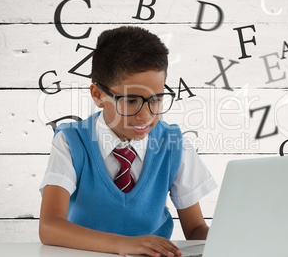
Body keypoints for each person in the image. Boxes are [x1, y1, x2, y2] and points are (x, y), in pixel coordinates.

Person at [39, 26, 217, 257]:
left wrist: (233, 239)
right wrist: (124, 244)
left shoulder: (173, 143)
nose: (146, 115)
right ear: (98, 95)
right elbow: (49, 227)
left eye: (156, 99)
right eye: (130, 101)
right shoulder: (71, 142)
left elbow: (195, 229)